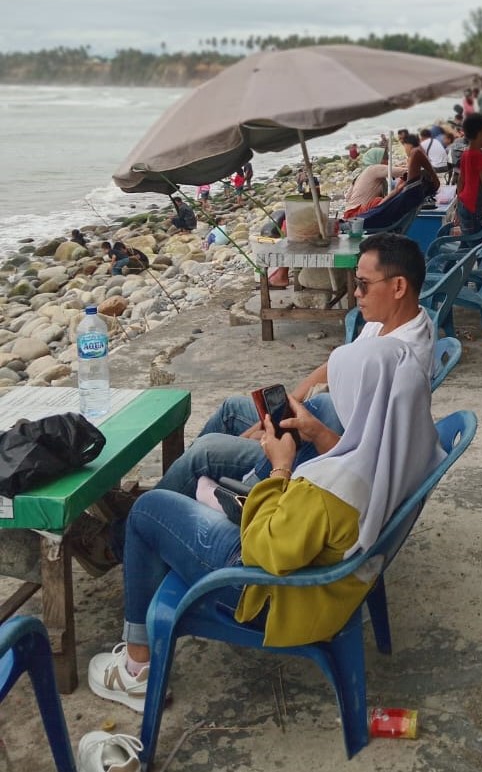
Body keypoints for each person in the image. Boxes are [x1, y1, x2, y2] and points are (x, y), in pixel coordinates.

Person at [86, 336, 444, 711]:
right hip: (336, 572)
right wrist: (320, 434)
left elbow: (265, 551)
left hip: (272, 597)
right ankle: (161, 524)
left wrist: (280, 466)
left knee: (149, 510)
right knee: (188, 495)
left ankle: (136, 669)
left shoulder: (334, 487)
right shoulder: (410, 449)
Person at [155, 233, 436, 497]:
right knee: (231, 409)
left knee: (204, 453)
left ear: (398, 286)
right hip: (312, 423)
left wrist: (270, 434)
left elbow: (359, 455)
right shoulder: (390, 324)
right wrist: (286, 406)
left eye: (364, 284)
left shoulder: (397, 359)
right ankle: (180, 490)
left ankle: (159, 508)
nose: (357, 293)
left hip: (314, 453)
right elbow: (330, 368)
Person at [343, 149, 389, 219]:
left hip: (350, 213)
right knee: (379, 201)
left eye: (387, 159)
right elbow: (400, 171)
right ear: (376, 159)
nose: (387, 162)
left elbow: (347, 197)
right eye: (385, 159)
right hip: (356, 214)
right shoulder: (373, 170)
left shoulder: (360, 175)